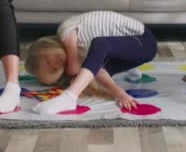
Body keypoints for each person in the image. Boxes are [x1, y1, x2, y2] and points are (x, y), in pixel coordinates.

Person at [25, 11, 157, 114]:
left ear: (49, 46)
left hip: (144, 42)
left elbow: (73, 68)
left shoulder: (65, 31)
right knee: (95, 71)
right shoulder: (84, 53)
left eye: (48, 61)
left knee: (99, 44)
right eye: (52, 69)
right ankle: (130, 68)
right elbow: (97, 71)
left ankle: (70, 97)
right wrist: (120, 94)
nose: (55, 65)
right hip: (133, 54)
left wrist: (73, 79)